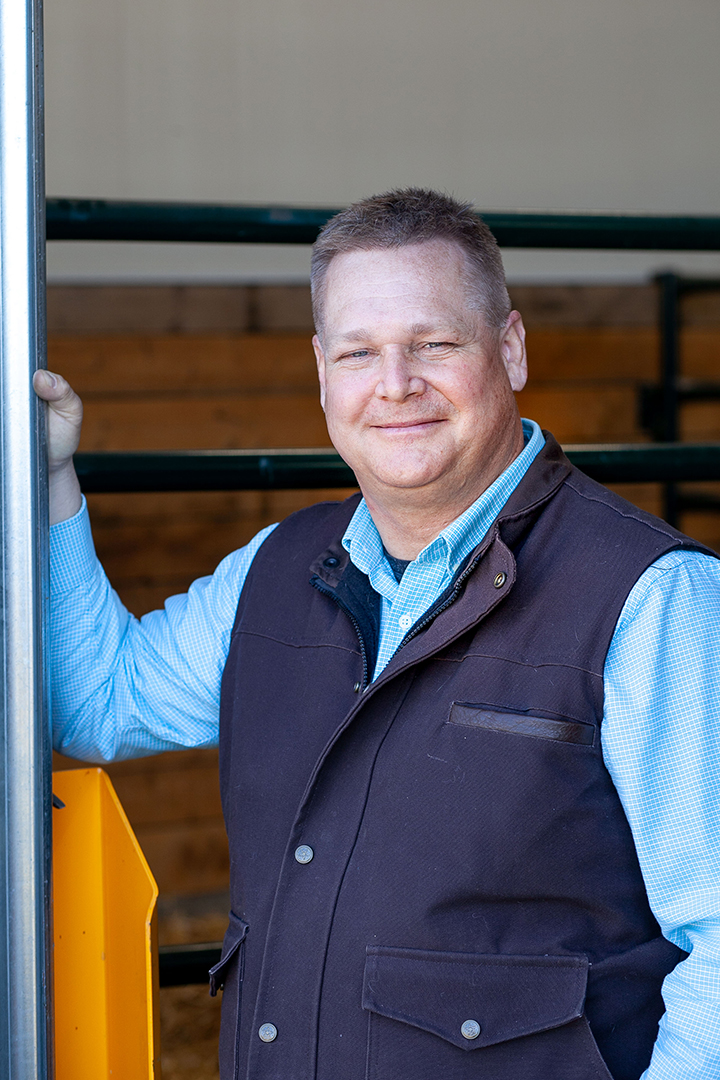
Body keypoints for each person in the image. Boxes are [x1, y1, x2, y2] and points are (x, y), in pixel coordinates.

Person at [35, 189, 720, 1080]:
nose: (395, 383)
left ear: (509, 350)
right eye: (359, 351)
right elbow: (98, 702)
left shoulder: (652, 598)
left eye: (433, 343)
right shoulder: (273, 569)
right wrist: (45, 478)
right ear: (322, 370)